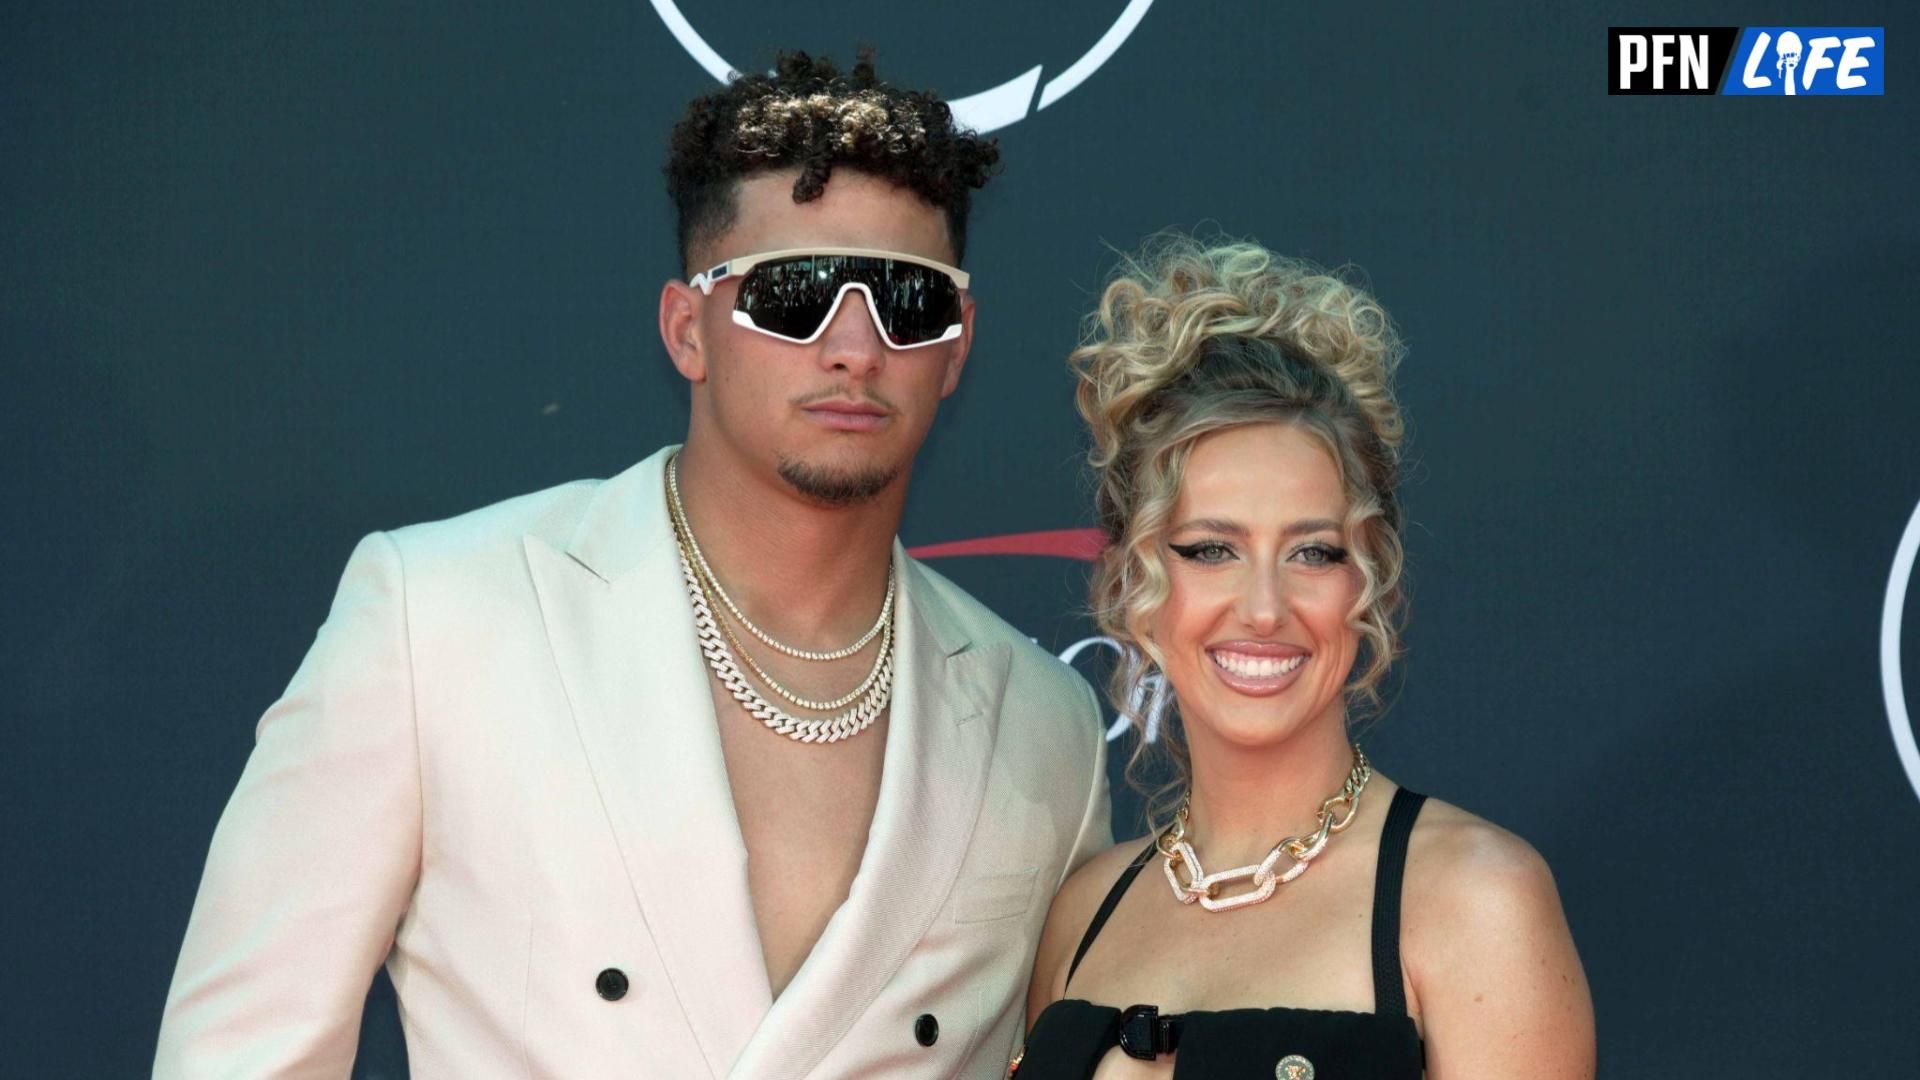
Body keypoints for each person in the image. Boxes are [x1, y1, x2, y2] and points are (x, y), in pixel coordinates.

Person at [155, 52, 1111, 1079]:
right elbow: (243, 1055)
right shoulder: (438, 616)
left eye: (907, 304)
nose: (854, 348)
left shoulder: (1043, 726)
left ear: (958, 347)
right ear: (686, 329)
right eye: (792, 295)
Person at [1017, 236, 1594, 1078]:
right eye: (1210, 549)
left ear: (1374, 583)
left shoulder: (1475, 899)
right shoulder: (1084, 913)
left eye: (1313, 553)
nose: (1263, 608)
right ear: (1128, 585)